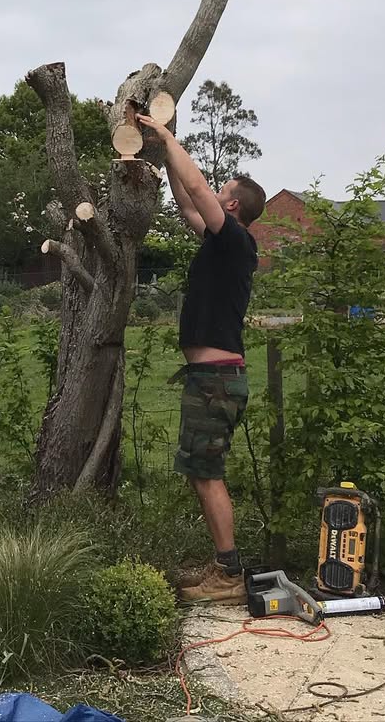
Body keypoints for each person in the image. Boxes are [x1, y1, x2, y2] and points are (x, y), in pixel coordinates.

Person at [137, 113, 266, 604]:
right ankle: (221, 566)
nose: (212, 194)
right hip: (209, 377)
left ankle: (228, 575)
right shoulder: (219, 242)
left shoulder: (235, 239)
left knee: (207, 474)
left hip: (215, 380)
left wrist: (169, 138)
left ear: (230, 204)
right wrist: (165, 150)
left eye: (221, 191)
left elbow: (199, 190)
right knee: (200, 470)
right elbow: (187, 198)